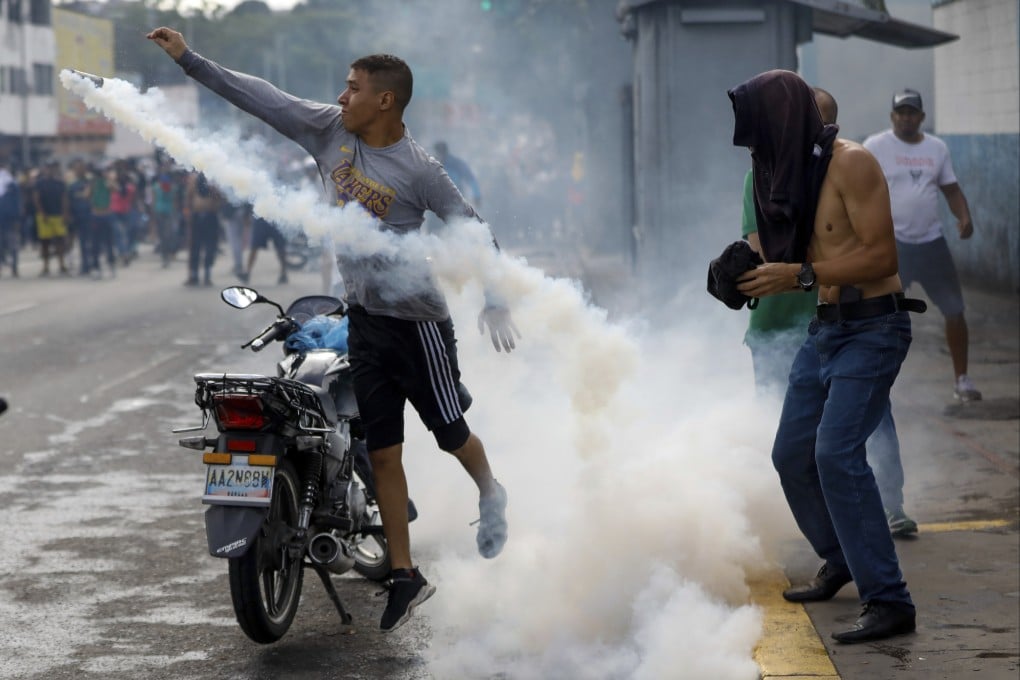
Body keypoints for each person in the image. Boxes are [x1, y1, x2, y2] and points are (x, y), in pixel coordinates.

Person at [147, 26, 520, 633]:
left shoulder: (420, 170)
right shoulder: (327, 129)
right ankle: (405, 574)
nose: (340, 97)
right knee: (385, 450)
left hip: (418, 323)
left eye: (353, 89)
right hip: (365, 320)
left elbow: (475, 232)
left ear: (385, 102)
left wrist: (497, 298)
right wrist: (191, 60)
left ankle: (490, 490)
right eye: (343, 88)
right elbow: (261, 97)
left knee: (450, 433)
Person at [730, 70, 919, 643]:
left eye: (761, 129)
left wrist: (802, 273)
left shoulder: (851, 163)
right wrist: (741, 274)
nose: (755, 144)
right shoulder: (793, 173)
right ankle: (840, 557)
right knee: (791, 454)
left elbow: (883, 258)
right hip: (825, 331)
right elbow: (790, 260)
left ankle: (889, 600)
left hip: (874, 328)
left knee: (836, 455)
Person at [863, 89, 980, 402]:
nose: (906, 118)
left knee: (955, 310)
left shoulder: (936, 148)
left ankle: (962, 380)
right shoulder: (875, 146)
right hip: (893, 245)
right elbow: (857, 187)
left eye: (912, 112)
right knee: (879, 313)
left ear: (922, 117)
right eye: (900, 112)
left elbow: (951, 190)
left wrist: (964, 216)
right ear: (892, 117)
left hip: (931, 243)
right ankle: (874, 381)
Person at [182, 171, 221, 286]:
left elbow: (218, 199)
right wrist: (188, 216)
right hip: (197, 217)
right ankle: (194, 275)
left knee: (210, 248)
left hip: (210, 217)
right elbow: (188, 200)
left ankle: (207, 275)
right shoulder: (194, 181)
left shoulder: (214, 182)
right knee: (195, 247)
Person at [33, 160, 70, 276]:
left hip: (58, 215)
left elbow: (64, 199)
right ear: (45, 169)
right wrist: (42, 213)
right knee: (45, 243)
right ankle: (46, 266)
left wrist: (65, 214)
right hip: (44, 216)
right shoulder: (39, 183)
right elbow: (36, 199)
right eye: (48, 168)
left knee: (60, 241)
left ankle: (62, 265)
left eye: (52, 168)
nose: (50, 170)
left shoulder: (60, 183)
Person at [242, 205, 288, 285]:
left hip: (276, 218)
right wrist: (246, 215)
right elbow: (251, 199)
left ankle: (283, 273)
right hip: (261, 219)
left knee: (280, 248)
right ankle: (247, 273)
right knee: (254, 246)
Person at [67, 159, 96, 277]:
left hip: (92, 216)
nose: (79, 170)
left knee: (93, 242)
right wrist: (69, 215)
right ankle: (85, 266)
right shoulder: (72, 186)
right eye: (77, 168)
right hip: (78, 217)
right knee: (83, 242)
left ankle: (94, 264)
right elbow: (68, 201)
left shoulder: (91, 183)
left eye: (81, 168)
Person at [433, 141, 481, 207]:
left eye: (440, 153)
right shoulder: (432, 165)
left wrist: (476, 195)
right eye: (437, 153)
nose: (439, 155)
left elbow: (470, 179)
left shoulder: (456, 164)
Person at [0, 159, 21, 278]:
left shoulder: (11, 183)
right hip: (4, 218)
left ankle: (14, 267)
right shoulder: (10, 183)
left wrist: (17, 218)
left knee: (12, 244)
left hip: (10, 219)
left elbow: (17, 202)